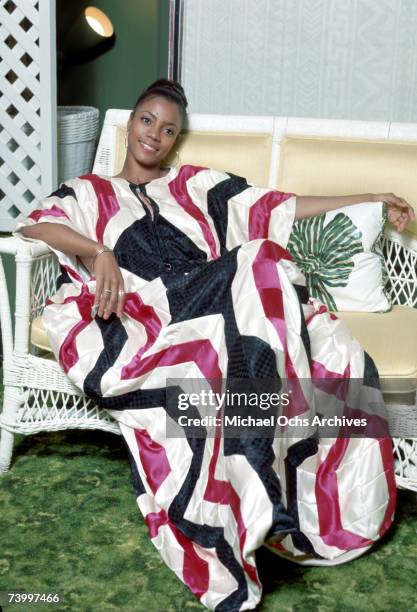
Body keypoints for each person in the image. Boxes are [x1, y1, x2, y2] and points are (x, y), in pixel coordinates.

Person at [15, 79, 415, 611]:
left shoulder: (195, 186)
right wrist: (99, 251)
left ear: (177, 140)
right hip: (148, 307)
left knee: (309, 318)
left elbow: (279, 206)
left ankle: (257, 458)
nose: (154, 134)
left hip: (209, 294)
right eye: (146, 120)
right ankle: (253, 470)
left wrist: (367, 197)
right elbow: (38, 226)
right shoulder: (89, 192)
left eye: (168, 128)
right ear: (130, 123)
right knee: (256, 269)